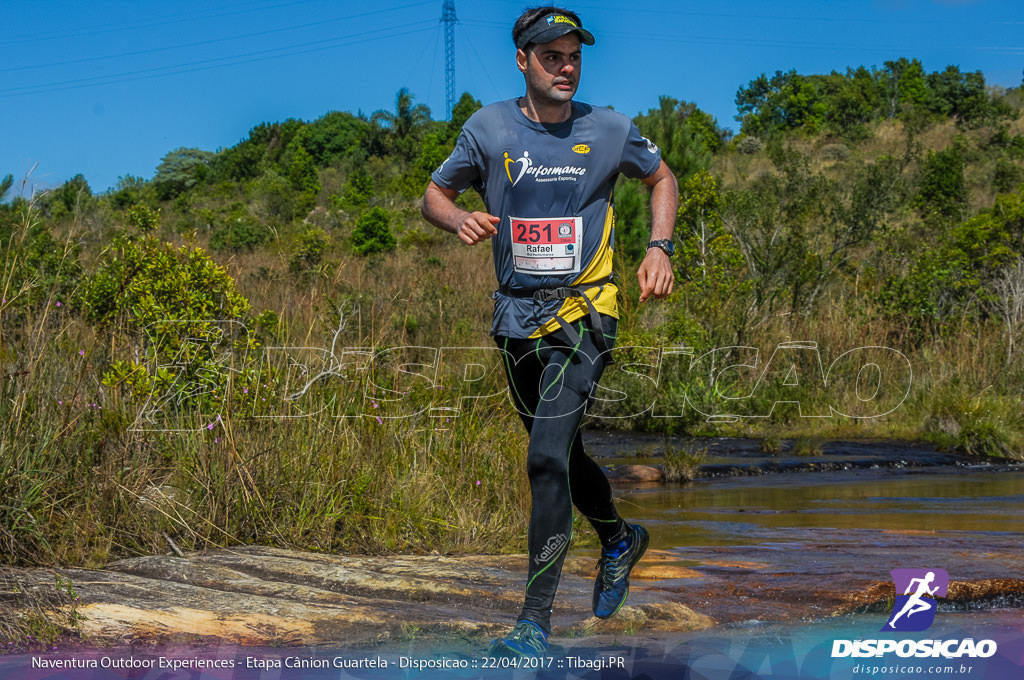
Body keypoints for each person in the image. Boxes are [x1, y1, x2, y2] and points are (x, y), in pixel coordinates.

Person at [421, 5, 678, 658]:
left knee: (542, 458)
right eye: (551, 56)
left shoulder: (611, 128)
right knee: (560, 454)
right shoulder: (488, 128)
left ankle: (532, 625)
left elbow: (662, 177)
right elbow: (434, 193)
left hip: (586, 316)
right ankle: (619, 539)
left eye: (574, 56)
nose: (566, 67)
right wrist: (457, 220)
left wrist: (660, 247)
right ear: (522, 60)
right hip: (515, 323)